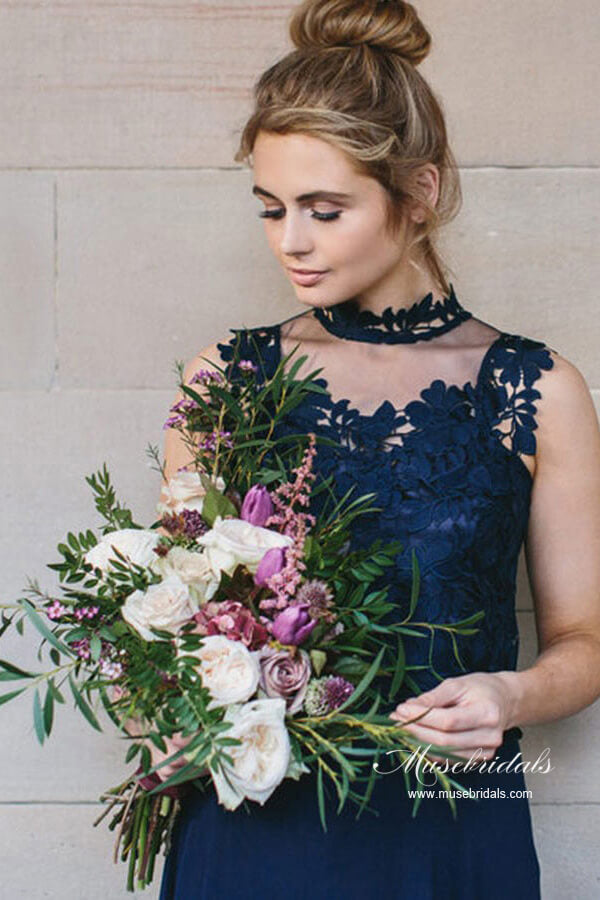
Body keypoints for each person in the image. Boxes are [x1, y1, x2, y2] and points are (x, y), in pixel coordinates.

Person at [155, 1, 600, 897]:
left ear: (420, 193)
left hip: (450, 826)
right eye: (271, 208)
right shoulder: (225, 379)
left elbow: (584, 640)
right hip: (254, 830)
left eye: (326, 208)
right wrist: (165, 704)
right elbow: (174, 610)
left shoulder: (535, 387)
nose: (292, 241)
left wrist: (511, 697)